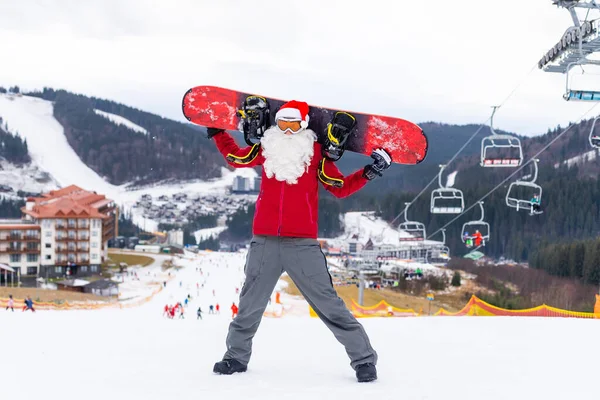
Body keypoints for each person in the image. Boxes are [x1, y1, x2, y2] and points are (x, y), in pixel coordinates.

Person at [208, 100, 389, 382]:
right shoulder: (267, 149)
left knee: (329, 306)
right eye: (283, 124)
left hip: (302, 245)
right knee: (249, 305)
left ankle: (364, 361)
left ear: (304, 125)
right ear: (275, 124)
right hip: (264, 242)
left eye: (294, 124)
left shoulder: (316, 154)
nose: (288, 131)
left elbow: (339, 188)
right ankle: (235, 358)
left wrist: (370, 172)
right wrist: (218, 133)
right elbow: (237, 158)